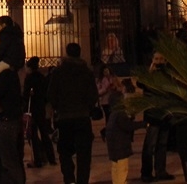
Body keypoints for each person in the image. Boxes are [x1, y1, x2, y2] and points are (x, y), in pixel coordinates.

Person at [46, 43, 97, 184]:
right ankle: (82, 180)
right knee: (84, 154)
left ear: (67, 53)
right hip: (82, 116)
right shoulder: (87, 72)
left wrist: (58, 107)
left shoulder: (58, 72)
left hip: (64, 117)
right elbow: (93, 95)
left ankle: (69, 178)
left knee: (64, 151)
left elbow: (51, 95)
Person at [140, 52, 175, 183]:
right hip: (152, 115)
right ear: (152, 60)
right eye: (156, 59)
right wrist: (150, 72)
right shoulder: (148, 74)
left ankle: (161, 170)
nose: (159, 62)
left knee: (162, 144)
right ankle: (146, 172)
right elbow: (140, 83)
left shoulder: (168, 74)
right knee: (150, 145)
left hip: (164, 114)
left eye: (161, 59)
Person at [0, 66, 26, 184]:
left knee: (9, 162)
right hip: (9, 121)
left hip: (6, 122)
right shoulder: (11, 74)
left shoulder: (5, 75)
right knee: (8, 162)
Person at [23, 57, 55, 168]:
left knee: (33, 136)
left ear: (30, 68)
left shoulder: (29, 79)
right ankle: (51, 158)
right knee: (45, 134)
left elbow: (26, 95)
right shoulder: (42, 78)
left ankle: (37, 159)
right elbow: (47, 94)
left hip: (32, 110)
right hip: (41, 109)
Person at [105, 102, 147, 184]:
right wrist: (143, 124)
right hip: (121, 149)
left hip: (114, 149)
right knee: (122, 169)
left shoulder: (112, 115)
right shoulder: (120, 114)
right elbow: (128, 126)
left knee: (115, 169)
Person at [0, 15, 26, 86]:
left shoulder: (5, 34)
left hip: (8, 60)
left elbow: (0, 51)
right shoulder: (15, 34)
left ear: (3, 25)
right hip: (17, 62)